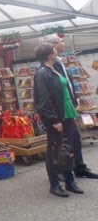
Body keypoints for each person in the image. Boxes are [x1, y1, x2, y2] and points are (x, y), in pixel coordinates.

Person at [40, 34, 98, 179]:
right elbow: (47, 96)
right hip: (60, 111)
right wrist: (54, 117)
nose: (63, 43)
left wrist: (73, 100)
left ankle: (79, 167)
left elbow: (66, 85)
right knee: (62, 143)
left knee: (75, 139)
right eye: (60, 41)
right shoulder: (47, 68)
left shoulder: (59, 61)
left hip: (68, 107)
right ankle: (61, 171)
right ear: (53, 46)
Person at [33, 42, 84, 197]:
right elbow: (43, 100)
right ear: (49, 54)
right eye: (54, 50)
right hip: (56, 119)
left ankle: (70, 181)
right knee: (54, 150)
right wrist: (54, 120)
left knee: (68, 149)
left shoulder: (54, 69)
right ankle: (54, 184)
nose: (57, 51)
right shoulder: (42, 73)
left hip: (67, 114)